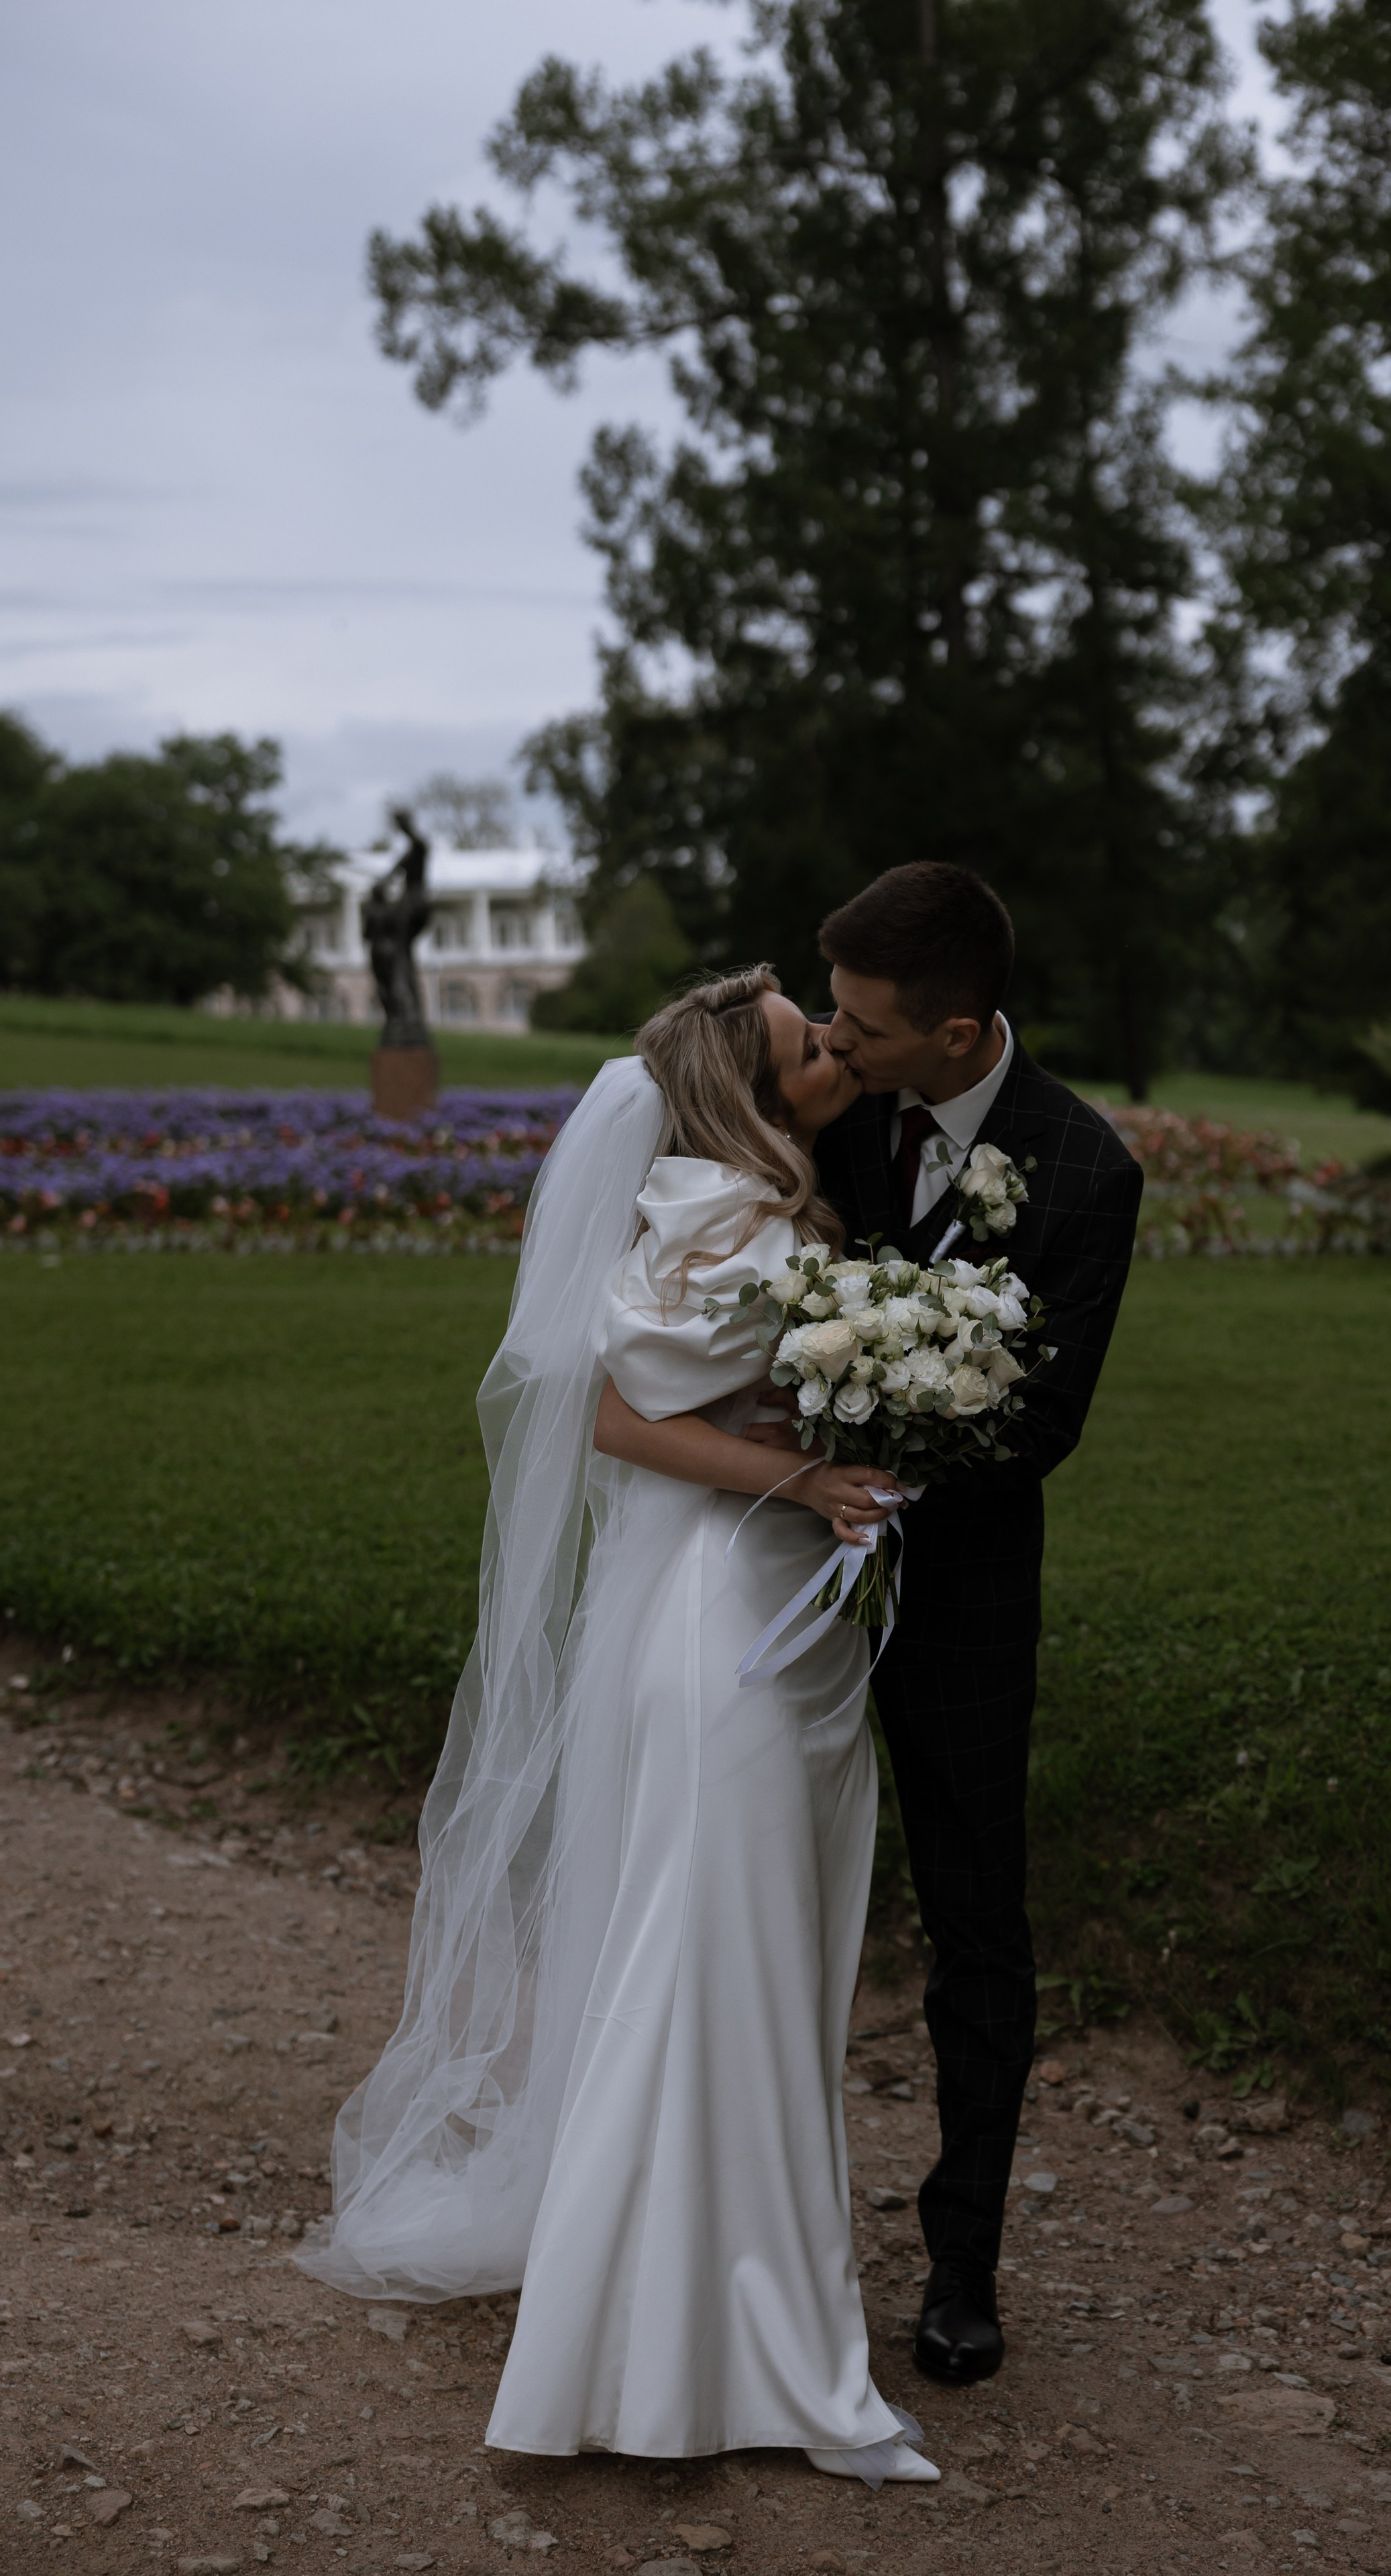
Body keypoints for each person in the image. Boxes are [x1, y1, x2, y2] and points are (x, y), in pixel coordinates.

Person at [297, 968, 937, 2485]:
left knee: (738, 1970)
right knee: (705, 1971)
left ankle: (707, 2315)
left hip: (730, 1612)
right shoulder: (734, 1221)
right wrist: (813, 1477)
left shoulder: (726, 1203)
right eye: (809, 1046)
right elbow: (618, 1419)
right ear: (755, 1093)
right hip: (723, 1620)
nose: (836, 1054)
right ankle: (683, 2355)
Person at [813, 862, 1142, 2387]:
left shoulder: (1082, 1169)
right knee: (751, 1891)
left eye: (866, 1028)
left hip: (960, 1604)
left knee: (972, 1927)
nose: (837, 1044)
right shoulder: (829, 1109)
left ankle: (960, 2265)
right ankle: (751, 2233)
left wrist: (888, 1430)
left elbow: (1042, 1421)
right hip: (774, 1576)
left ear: (956, 1032)